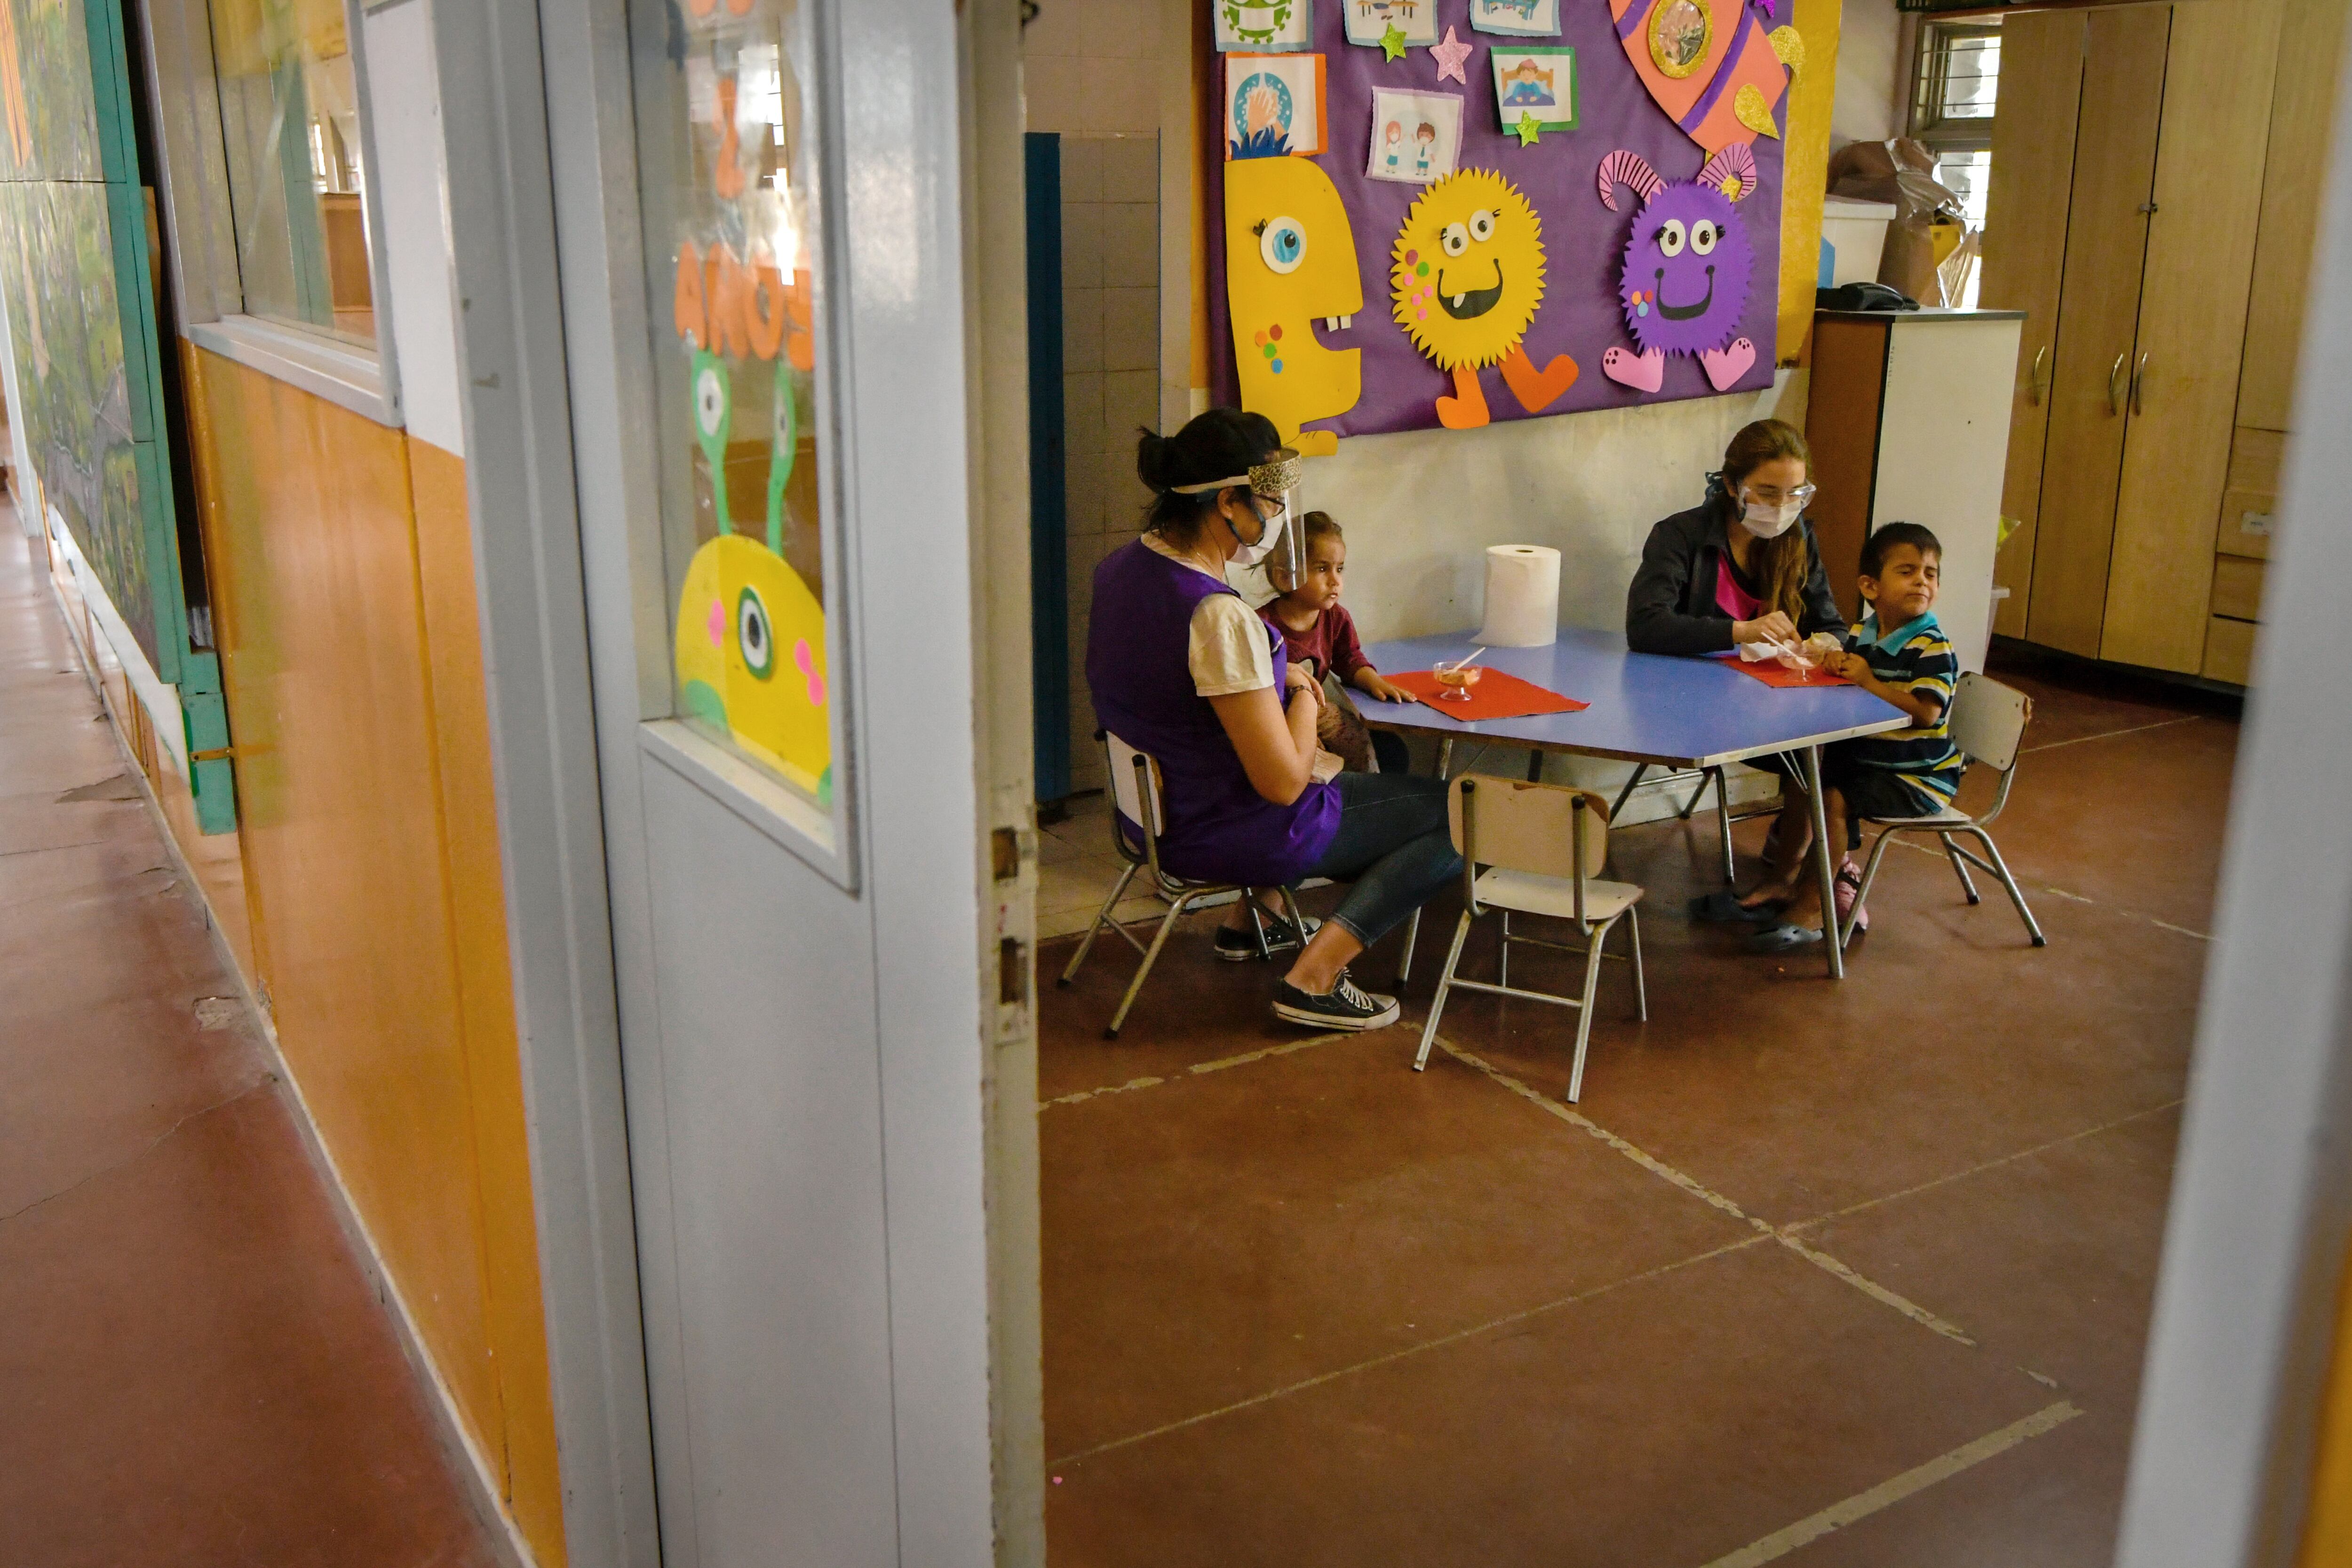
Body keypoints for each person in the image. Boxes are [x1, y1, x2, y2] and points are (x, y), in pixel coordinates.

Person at [1086, 409, 1462, 1031]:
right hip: (1230, 827)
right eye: (1270, 500)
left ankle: (1249, 926)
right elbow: (1283, 784)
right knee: (1458, 814)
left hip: (1155, 813)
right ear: (1228, 502)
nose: (1279, 515)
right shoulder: (1218, 615)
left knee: (1403, 798)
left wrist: (1265, 675)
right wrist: (1307, 699)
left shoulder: (1121, 569)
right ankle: (1313, 979)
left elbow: (1176, 691)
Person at [1626, 419, 1851, 930]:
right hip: (1684, 705)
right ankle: (1814, 873)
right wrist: (1739, 631)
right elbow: (1644, 626)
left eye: (1795, 494)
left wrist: (1824, 645)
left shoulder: (1798, 540)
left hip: (1768, 702)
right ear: (1731, 487)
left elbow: (1830, 623)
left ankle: (1793, 872)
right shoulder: (1679, 536)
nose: (1781, 507)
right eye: (1767, 493)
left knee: (1822, 745)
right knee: (1817, 755)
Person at [1739, 523, 1967, 949]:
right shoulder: (1864, 632)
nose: (1922, 581)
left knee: (1833, 798)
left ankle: (1813, 903)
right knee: (1804, 778)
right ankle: (1785, 878)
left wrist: (1867, 681)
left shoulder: (1932, 646)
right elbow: (1854, 686)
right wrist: (1832, 665)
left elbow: (1925, 713)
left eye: (1930, 573)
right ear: (1870, 586)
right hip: (1874, 758)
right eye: (1907, 571)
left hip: (1918, 776)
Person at [1260, 510, 1415, 776]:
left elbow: (1350, 659)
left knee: (1366, 738)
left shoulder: (1336, 617)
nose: (1336, 580)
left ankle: (1369, 792)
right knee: (1314, 765)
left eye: (1340, 568)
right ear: (1286, 577)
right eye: (1322, 569)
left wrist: (1375, 682)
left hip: (1317, 712)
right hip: (1278, 723)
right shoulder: (1260, 626)